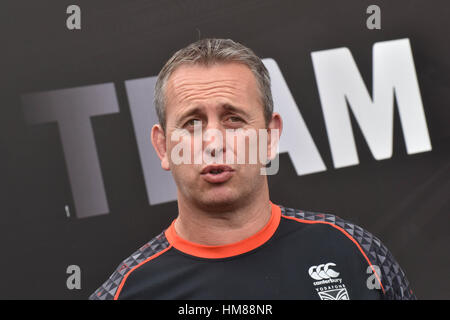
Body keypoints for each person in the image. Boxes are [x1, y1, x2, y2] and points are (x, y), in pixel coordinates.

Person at [89, 38, 415, 300]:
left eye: (234, 119)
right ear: (163, 147)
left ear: (270, 137)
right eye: (192, 123)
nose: (214, 141)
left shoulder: (354, 251)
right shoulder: (126, 292)